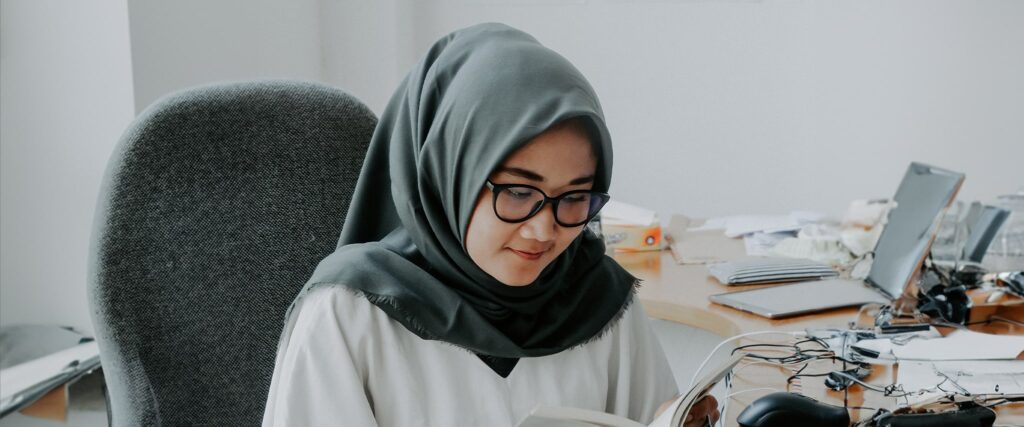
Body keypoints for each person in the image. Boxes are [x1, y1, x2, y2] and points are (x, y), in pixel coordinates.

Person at [262, 23, 718, 427]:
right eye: (519, 193)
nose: (544, 231)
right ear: (450, 177)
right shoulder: (348, 316)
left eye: (575, 197)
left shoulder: (599, 300)